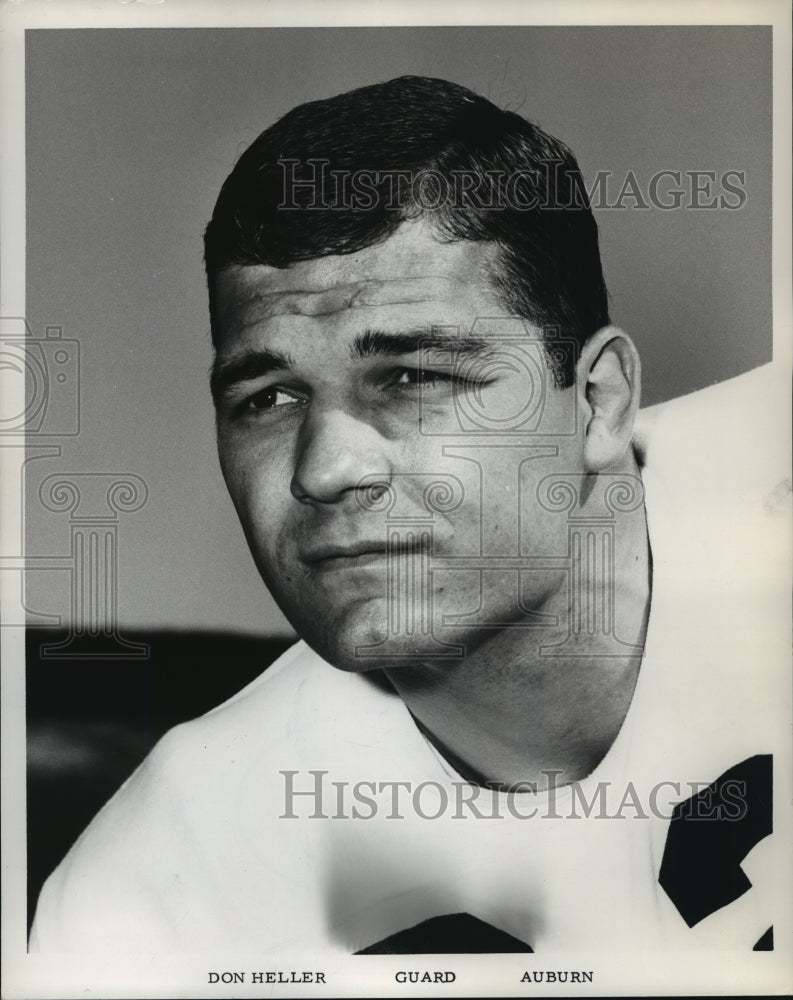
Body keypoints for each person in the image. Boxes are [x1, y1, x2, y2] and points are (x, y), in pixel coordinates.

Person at [30, 76, 784, 954]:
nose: (325, 468)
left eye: (414, 376)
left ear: (598, 402)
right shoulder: (165, 882)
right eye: (268, 399)